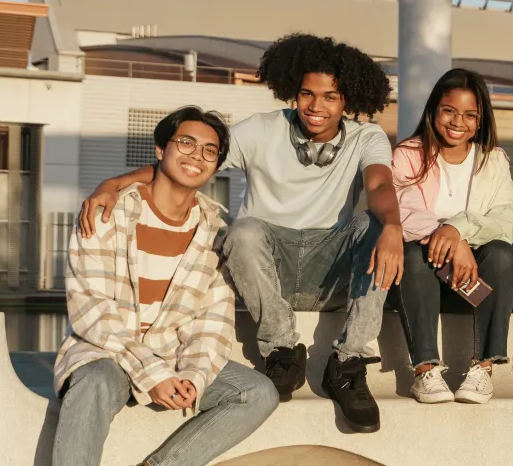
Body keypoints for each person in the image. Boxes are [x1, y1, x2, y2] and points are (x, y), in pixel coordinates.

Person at [78, 33, 405, 433]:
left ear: (348, 100)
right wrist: (114, 183)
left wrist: (392, 225)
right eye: (306, 94)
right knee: (245, 229)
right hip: (265, 270)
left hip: (327, 268)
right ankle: (282, 350)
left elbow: (379, 187)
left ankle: (348, 363)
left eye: (330, 97)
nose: (316, 107)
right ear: (292, 92)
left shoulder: (366, 137)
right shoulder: (260, 130)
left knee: (372, 225)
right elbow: (191, 165)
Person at [52, 107, 279, 466]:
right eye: (186, 143)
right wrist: (152, 373)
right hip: (106, 353)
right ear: (161, 150)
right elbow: (91, 312)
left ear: (216, 166)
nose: (196, 156)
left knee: (256, 392)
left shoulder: (217, 230)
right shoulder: (105, 214)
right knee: (93, 382)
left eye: (209, 151)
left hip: (172, 356)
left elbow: (213, 321)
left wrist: (194, 374)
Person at [390, 68, 513, 405]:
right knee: (413, 254)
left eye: (469, 114)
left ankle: (483, 368)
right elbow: (403, 211)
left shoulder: (493, 160)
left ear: (480, 121)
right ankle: (425, 371)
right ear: (433, 110)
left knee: (502, 254)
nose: (457, 121)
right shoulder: (408, 154)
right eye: (449, 110)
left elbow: (507, 220)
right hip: (422, 282)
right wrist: (451, 240)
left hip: (474, 285)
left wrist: (459, 227)